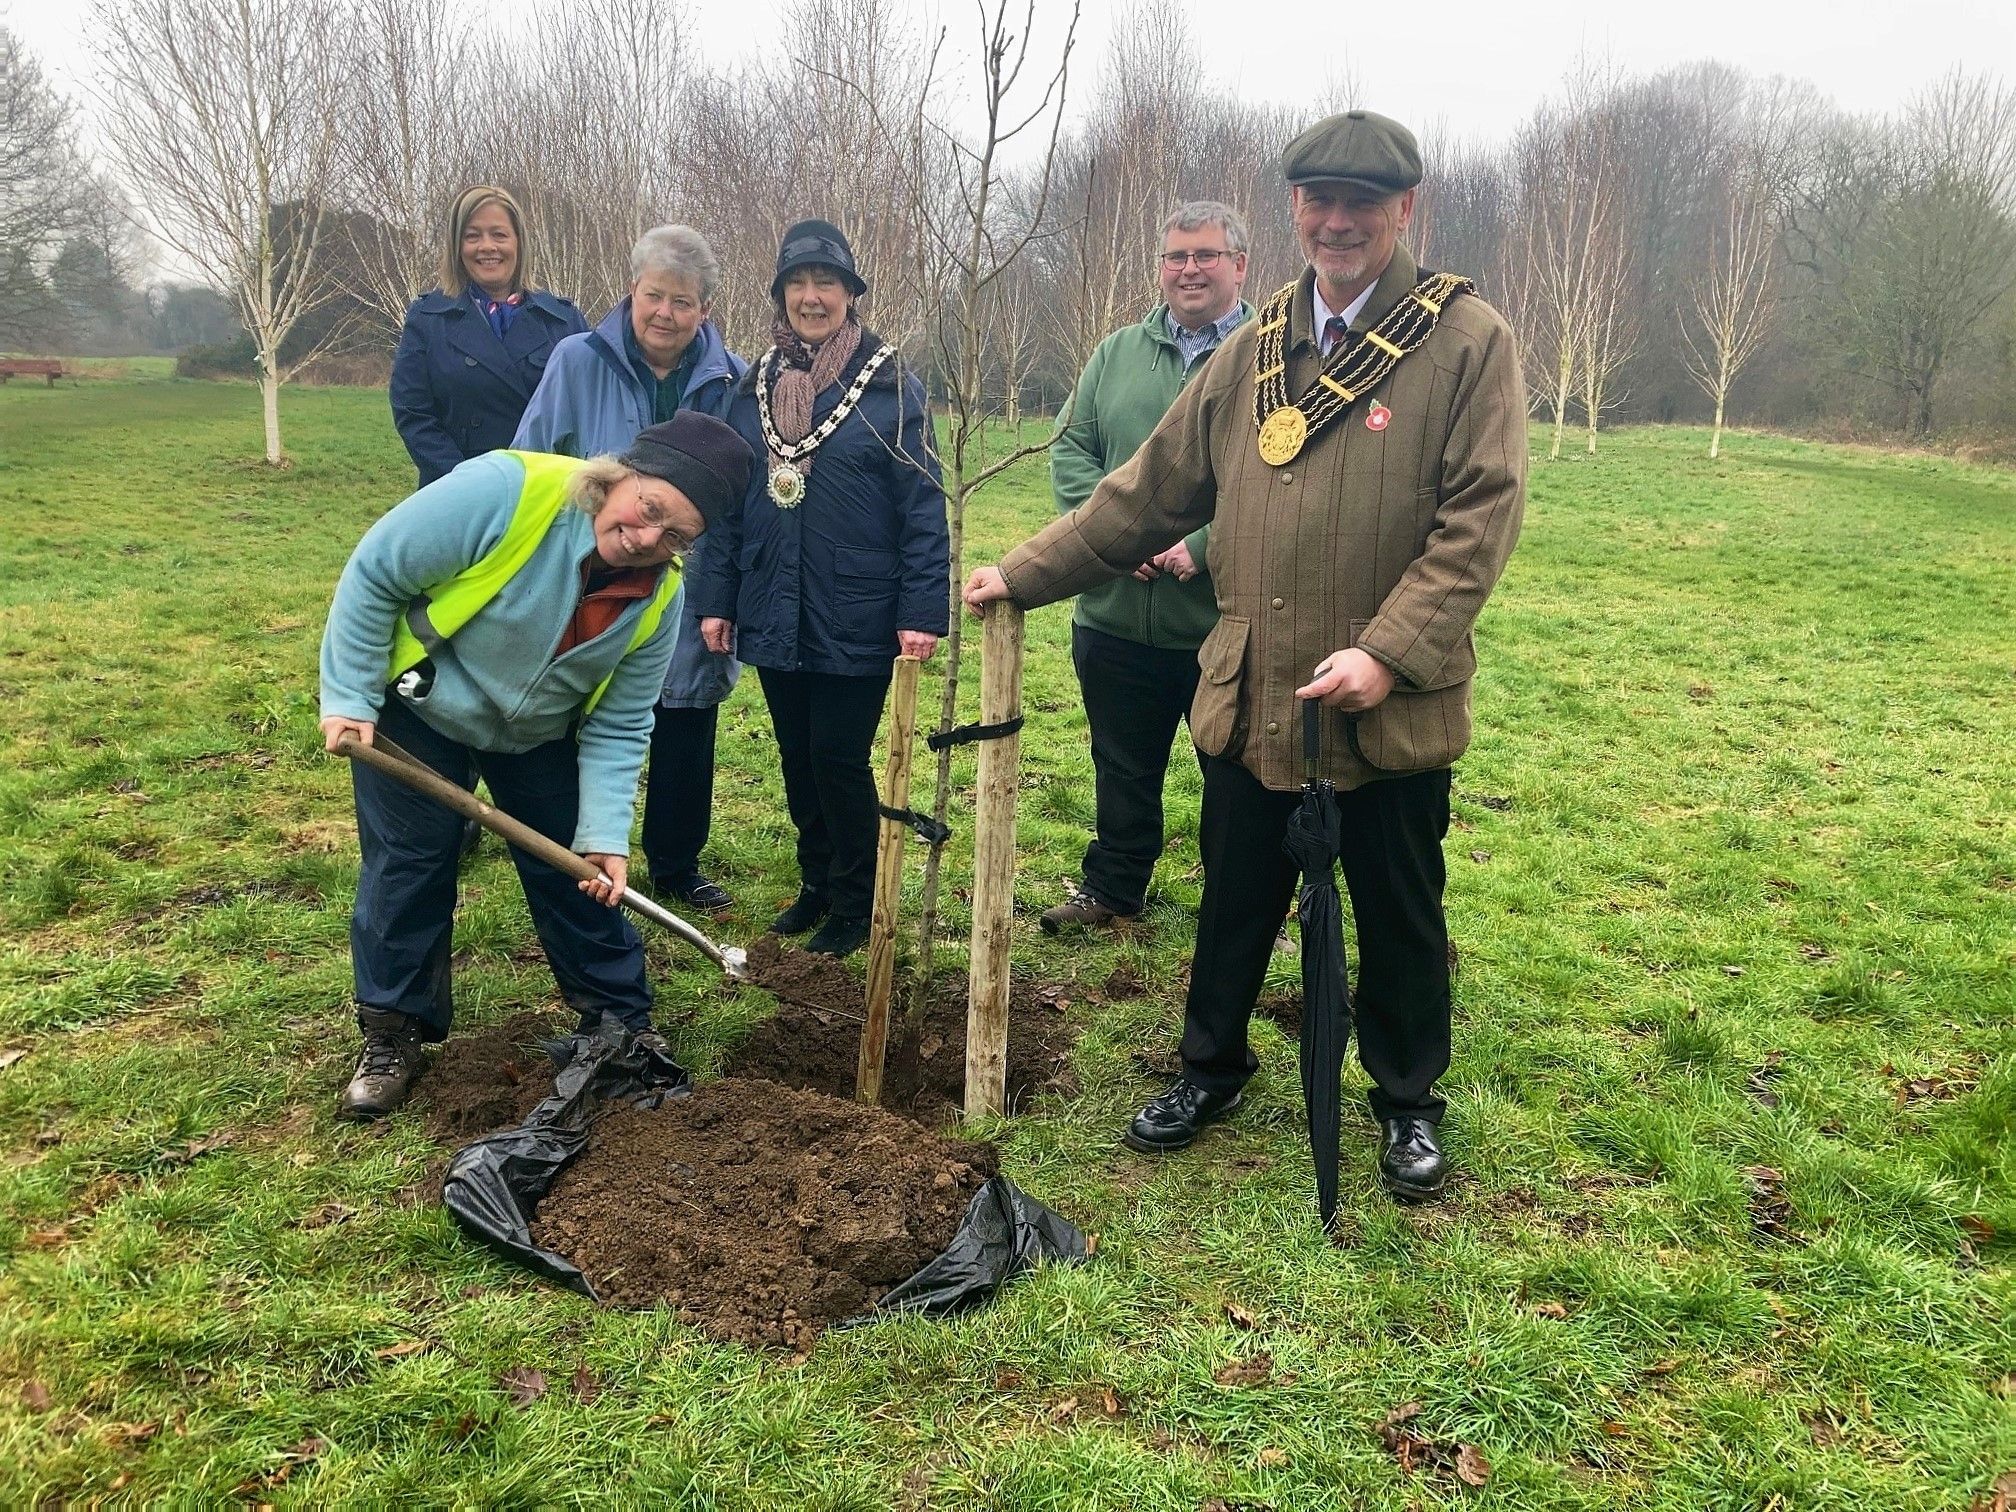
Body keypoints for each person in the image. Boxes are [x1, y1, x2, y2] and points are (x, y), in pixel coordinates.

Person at [964, 111, 1526, 1200]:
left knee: (1401, 911)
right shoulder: (1257, 344)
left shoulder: (1466, 341)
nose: (1339, 221)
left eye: (1362, 202)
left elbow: (1480, 519)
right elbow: (1148, 488)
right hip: (1255, 689)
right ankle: (1210, 1068)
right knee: (1233, 899)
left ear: (1403, 210)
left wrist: (1390, 655)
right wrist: (1024, 573)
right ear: (1296, 213)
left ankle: (1407, 1102)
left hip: (1386, 703)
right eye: (1319, 200)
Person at [319, 413, 755, 1119]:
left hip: (536, 732)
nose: (647, 540)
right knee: (411, 859)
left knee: (576, 873)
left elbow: (619, 724)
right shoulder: (506, 492)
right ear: (621, 474)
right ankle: (391, 1032)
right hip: (421, 706)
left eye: (675, 536)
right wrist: (347, 694)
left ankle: (620, 1020)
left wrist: (606, 836)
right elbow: (376, 572)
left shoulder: (658, 600)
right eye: (648, 510)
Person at [689, 219, 949, 960]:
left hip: (859, 609)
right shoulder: (751, 389)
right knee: (797, 756)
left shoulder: (892, 387)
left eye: (826, 284)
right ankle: (815, 882)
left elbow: (923, 506)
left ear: (850, 296)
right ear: (780, 296)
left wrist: (921, 610)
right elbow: (726, 503)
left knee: (839, 755)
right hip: (772, 602)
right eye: (798, 284)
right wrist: (716, 598)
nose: (812, 297)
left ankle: (855, 897)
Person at [513, 225, 747, 917]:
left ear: (705, 309)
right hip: (591, 564)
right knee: (575, 714)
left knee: (685, 716)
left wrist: (723, 593)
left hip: (686, 574)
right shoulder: (576, 361)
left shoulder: (731, 379)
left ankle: (676, 863)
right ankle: (571, 855)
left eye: (683, 302)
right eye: (654, 296)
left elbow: (737, 499)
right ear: (631, 291)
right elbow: (532, 457)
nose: (665, 314)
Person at [1040, 200, 1253, 936]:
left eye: (1205, 255)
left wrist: (1200, 546)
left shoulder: (1274, 358)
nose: (1189, 269)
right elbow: (1072, 450)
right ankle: (1114, 889)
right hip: (1114, 616)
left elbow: (1291, 489)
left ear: (1239, 265)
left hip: (1228, 624)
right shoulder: (1114, 354)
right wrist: (1114, 540)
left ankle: (1246, 904)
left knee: (1239, 776)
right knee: (1121, 767)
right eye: (1175, 256)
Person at [390, 185, 589, 487]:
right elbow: (413, 413)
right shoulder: (427, 319)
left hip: (542, 494)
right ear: (457, 247)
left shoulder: (563, 321)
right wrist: (467, 482)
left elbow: (586, 412)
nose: (487, 246)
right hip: (454, 493)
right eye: (473, 236)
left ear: (519, 243)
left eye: (499, 234)